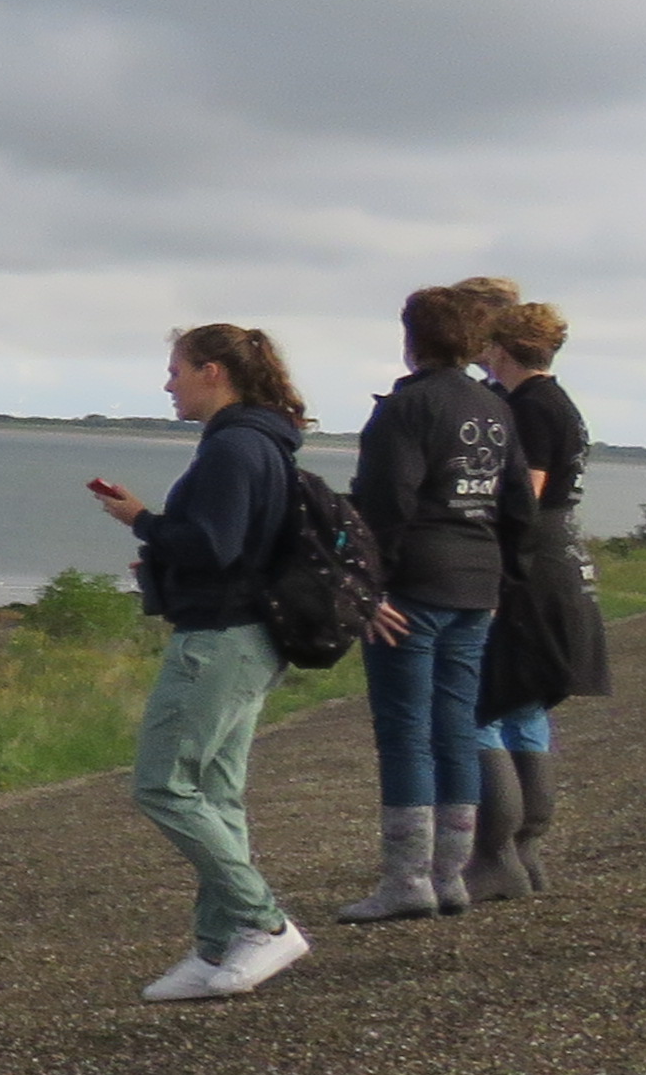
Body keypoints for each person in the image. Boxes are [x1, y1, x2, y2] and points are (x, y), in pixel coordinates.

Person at [87, 325, 316, 1003]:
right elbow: (236, 543)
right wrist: (161, 547)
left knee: (162, 785)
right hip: (249, 634)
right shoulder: (265, 441)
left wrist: (142, 522)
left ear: (213, 372)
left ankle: (263, 921)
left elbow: (214, 545)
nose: (168, 385)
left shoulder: (235, 447)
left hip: (219, 637)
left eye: (176, 370)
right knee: (215, 794)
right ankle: (219, 946)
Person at [333, 286, 529, 922]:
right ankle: (450, 878)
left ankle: (406, 882)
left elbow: (387, 503)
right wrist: (502, 582)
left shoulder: (406, 408)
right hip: (477, 585)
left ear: (412, 337)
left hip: (413, 588)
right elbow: (519, 507)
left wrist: (367, 588)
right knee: (454, 729)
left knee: (405, 732)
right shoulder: (495, 408)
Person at [469, 294, 607, 897]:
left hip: (528, 569)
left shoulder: (532, 407)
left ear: (500, 348)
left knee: (484, 704)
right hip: (559, 563)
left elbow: (522, 496)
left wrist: (486, 570)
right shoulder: (560, 404)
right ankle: (524, 852)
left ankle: (497, 852)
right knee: (524, 708)